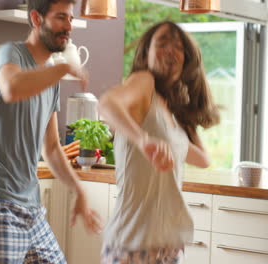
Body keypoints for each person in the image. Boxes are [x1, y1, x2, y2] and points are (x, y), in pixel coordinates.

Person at [0, 0, 102, 263]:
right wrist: (63, 68)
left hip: (32, 207)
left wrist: (79, 190)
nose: (69, 26)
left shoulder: (50, 79)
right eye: (61, 18)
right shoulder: (10, 54)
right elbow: (11, 88)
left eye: (71, 19)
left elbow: (51, 147)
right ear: (36, 18)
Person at [98, 21, 220, 264]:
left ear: (186, 59)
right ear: (146, 53)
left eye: (178, 46)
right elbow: (107, 104)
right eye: (162, 42)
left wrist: (187, 110)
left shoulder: (169, 113)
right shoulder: (144, 83)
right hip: (133, 245)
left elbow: (203, 159)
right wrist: (143, 140)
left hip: (169, 246)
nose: (170, 49)